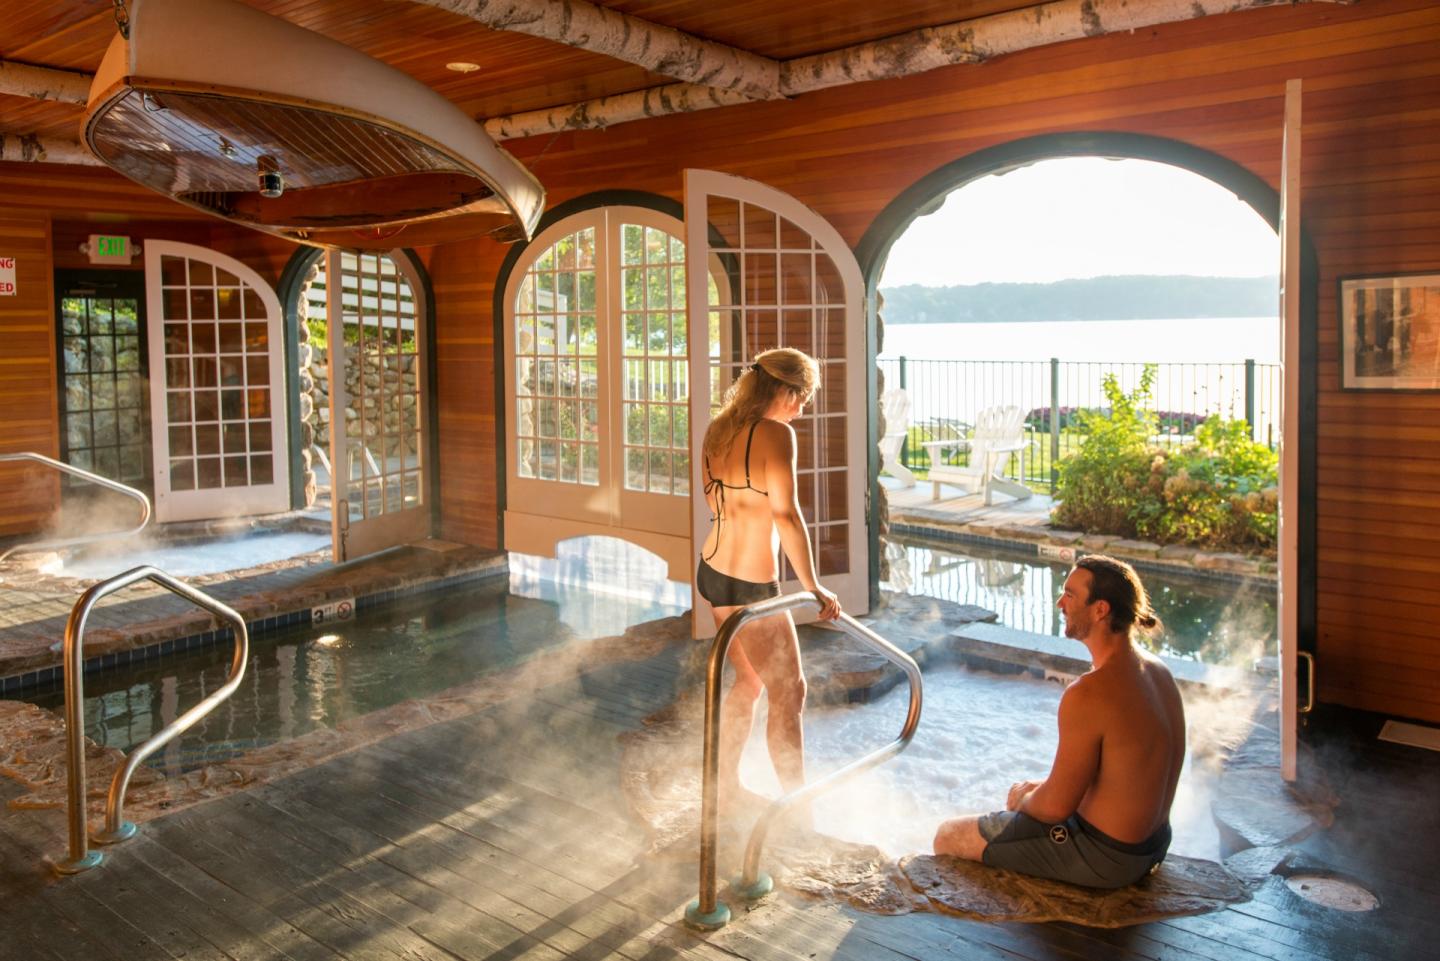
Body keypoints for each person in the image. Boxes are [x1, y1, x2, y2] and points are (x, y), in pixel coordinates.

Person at [933, 554, 1186, 889]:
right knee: (1033, 798)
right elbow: (1120, 777)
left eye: (1070, 595)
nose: (1060, 602)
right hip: (1154, 846)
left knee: (948, 836)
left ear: (1100, 610)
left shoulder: (1089, 693)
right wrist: (1040, 787)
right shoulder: (1158, 672)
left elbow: (1054, 809)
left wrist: (1022, 802)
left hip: (1106, 860)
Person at [697, 347, 841, 808]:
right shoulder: (775, 434)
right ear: (780, 389)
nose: (802, 409)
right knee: (790, 691)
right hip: (752, 587)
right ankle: (797, 806)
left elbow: (713, 502)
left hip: (714, 571)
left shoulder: (719, 428)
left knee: (749, 682)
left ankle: (722, 785)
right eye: (801, 397)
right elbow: (786, 515)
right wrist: (812, 584)